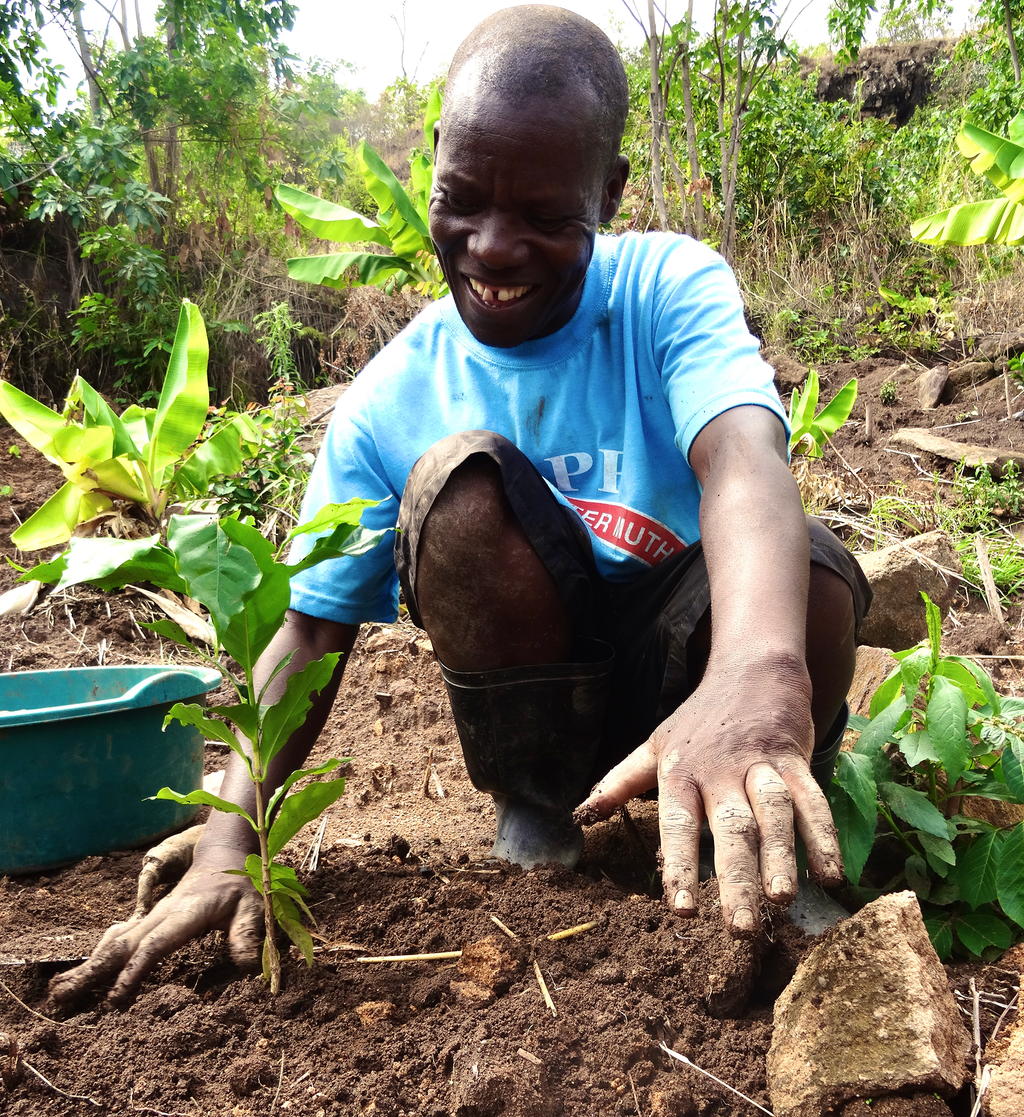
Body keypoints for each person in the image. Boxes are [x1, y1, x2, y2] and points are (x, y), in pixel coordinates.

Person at [49, 4, 870, 1012]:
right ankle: (539, 814)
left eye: (542, 214)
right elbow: (309, 635)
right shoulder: (392, 397)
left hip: (691, 681)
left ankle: (767, 808)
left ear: (606, 193)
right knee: (458, 487)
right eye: (463, 199)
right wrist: (233, 841)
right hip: (546, 713)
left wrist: (755, 674)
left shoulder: (666, 288)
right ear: (432, 161)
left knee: (818, 578)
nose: (492, 246)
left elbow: (744, 458)